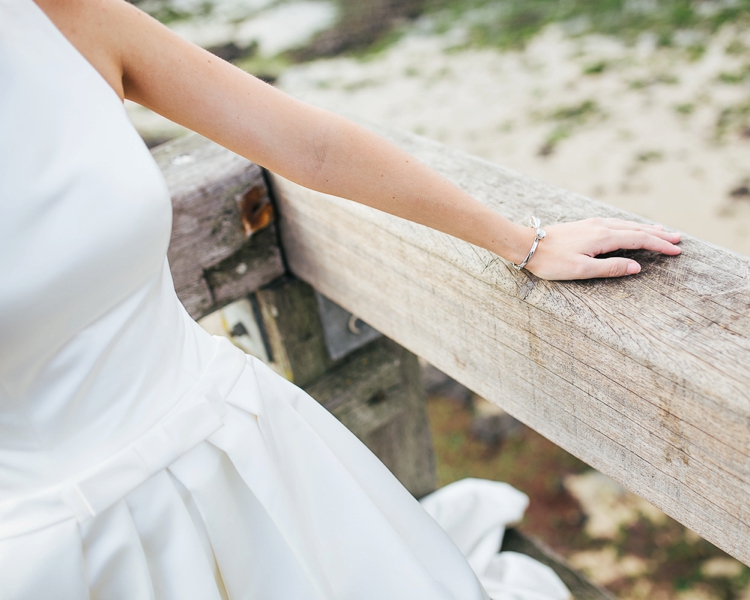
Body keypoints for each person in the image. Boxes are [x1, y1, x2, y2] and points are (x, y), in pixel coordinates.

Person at [0, 0, 683, 598]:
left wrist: (519, 241)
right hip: (60, 552)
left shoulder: (64, 18)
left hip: (248, 452)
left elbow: (311, 145)